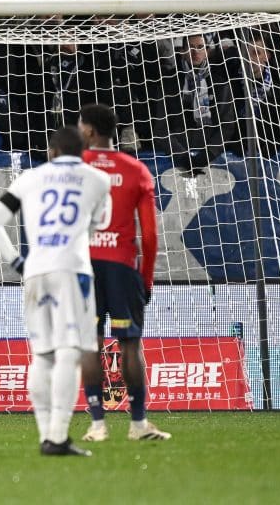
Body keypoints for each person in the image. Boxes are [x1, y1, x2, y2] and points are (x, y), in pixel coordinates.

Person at [0, 126, 111, 457]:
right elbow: (99, 223)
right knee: (70, 352)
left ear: (51, 152)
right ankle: (58, 436)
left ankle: (46, 436)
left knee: (42, 353)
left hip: (35, 270)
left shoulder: (29, 178)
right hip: (73, 269)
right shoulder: (97, 179)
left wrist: (16, 261)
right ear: (83, 149)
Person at [75, 104, 169, 442]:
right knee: (130, 345)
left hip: (83, 267)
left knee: (90, 343)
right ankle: (138, 423)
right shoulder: (136, 170)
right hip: (121, 265)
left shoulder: (75, 168)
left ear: (88, 131)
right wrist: (145, 278)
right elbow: (150, 235)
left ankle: (97, 425)